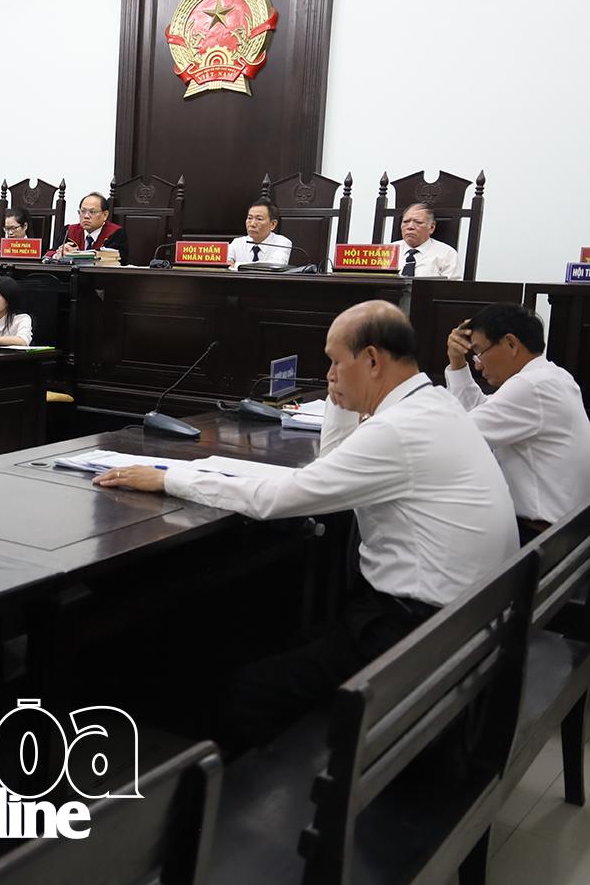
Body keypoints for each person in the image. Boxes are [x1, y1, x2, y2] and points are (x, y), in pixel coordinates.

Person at [94, 300, 516, 751]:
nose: (329, 374)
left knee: (247, 690)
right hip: (462, 618)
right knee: (275, 638)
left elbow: (280, 498)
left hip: (419, 632)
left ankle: (247, 791)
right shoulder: (433, 404)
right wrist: (342, 401)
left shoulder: (397, 430)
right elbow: (332, 470)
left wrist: (168, 478)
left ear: (372, 360)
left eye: (335, 362)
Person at [444, 303, 590, 538]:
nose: (478, 364)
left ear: (511, 344)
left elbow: (459, 434)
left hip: (540, 536)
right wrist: (457, 362)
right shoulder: (551, 376)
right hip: (563, 531)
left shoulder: (532, 386)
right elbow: (480, 413)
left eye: (479, 352)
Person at [391, 203, 460, 279]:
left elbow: (452, 285)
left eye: (418, 222)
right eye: (406, 222)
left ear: (431, 227)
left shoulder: (447, 254)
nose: (410, 227)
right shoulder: (389, 250)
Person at [53, 193, 126, 258]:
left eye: (92, 212)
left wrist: (75, 255)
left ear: (105, 215)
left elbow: (118, 260)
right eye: (83, 211)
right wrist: (59, 254)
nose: (86, 216)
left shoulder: (116, 234)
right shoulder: (69, 231)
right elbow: (50, 253)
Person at [228, 199, 292, 266]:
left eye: (259, 219)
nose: (252, 224)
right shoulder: (237, 243)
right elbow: (225, 262)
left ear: (273, 224)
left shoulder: (282, 243)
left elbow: (274, 266)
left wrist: (236, 265)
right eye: (250, 218)